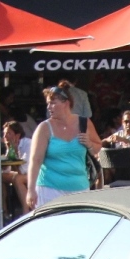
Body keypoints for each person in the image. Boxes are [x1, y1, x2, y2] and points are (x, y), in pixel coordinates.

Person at [26, 80, 102, 210]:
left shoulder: (84, 123)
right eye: (48, 104)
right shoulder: (44, 127)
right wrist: (31, 189)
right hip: (49, 187)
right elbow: (35, 160)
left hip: (80, 187)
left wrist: (89, 144)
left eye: (53, 103)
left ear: (66, 103)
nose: (49, 107)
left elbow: (97, 147)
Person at [0, 121, 32, 216]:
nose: (5, 136)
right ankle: (3, 212)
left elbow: (22, 171)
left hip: (33, 174)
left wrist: (14, 153)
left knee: (17, 179)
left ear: (17, 135)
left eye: (8, 133)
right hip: (21, 172)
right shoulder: (11, 145)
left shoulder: (28, 144)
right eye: (4, 134)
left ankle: (26, 211)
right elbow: (6, 169)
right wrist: (9, 153)